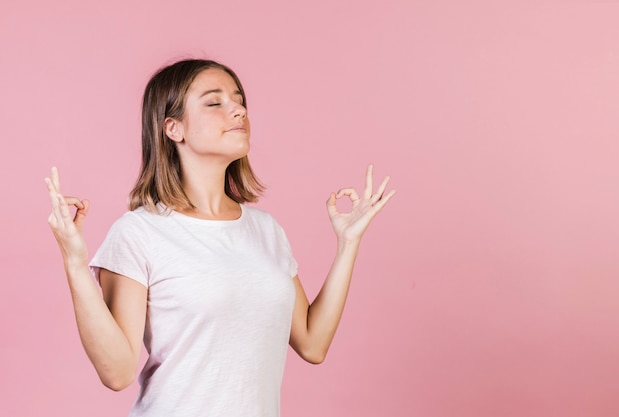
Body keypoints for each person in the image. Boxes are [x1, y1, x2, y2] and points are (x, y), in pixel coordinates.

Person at [45, 59, 395, 417]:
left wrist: (348, 243)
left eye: (239, 100)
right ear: (173, 128)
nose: (238, 109)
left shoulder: (265, 229)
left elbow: (313, 343)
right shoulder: (139, 232)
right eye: (215, 103)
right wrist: (74, 261)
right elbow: (117, 372)